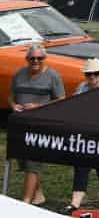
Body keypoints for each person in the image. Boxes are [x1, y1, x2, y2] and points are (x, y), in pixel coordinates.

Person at [11, 44, 64, 205]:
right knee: (26, 163)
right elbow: (11, 97)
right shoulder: (19, 74)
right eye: (32, 58)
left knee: (33, 163)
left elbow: (62, 101)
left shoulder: (52, 76)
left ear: (44, 58)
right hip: (21, 125)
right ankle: (39, 195)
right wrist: (13, 105)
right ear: (27, 59)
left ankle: (25, 202)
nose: (35, 61)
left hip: (39, 126)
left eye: (39, 58)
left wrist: (37, 107)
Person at [68, 58, 99, 208]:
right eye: (89, 74)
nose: (92, 77)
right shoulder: (82, 87)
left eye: (95, 74)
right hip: (84, 133)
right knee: (81, 166)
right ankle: (75, 203)